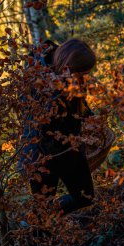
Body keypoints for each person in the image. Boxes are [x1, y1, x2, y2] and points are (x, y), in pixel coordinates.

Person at [18, 38, 96, 215]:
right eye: (83, 74)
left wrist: (91, 119)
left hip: (69, 149)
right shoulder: (41, 86)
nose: (86, 78)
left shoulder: (65, 75)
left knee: (85, 197)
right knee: (42, 211)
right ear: (69, 68)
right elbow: (42, 130)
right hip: (40, 155)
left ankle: (46, 219)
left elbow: (78, 104)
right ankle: (36, 234)